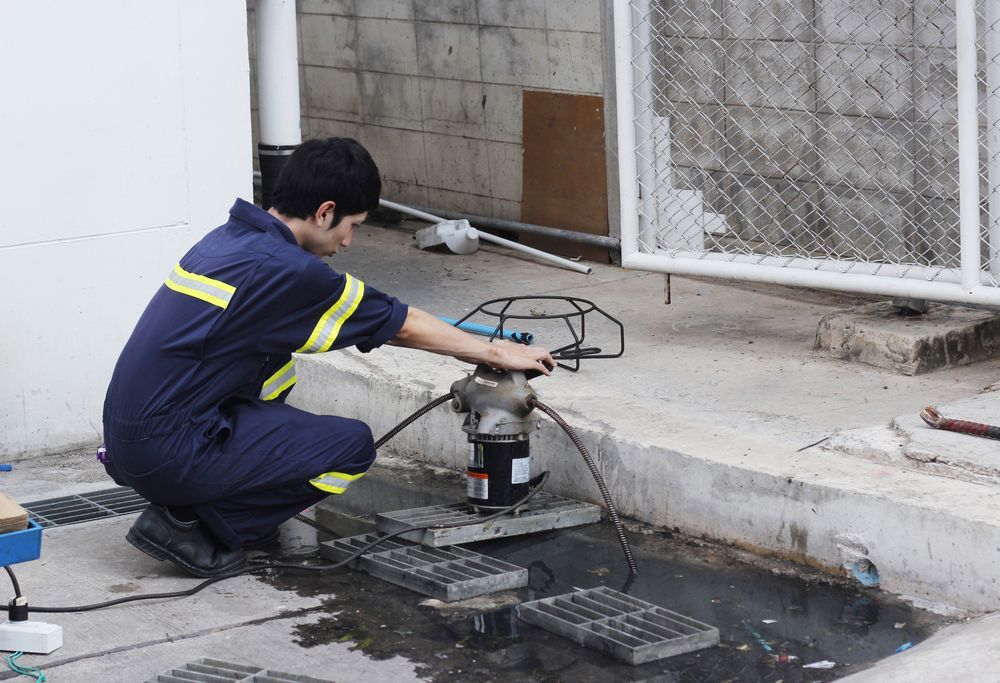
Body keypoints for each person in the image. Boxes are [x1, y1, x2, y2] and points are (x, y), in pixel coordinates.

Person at [101, 137, 553, 578]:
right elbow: (399, 323)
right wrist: (496, 351)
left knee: (277, 366)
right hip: (167, 451)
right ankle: (191, 529)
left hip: (130, 442)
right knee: (350, 447)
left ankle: (196, 499)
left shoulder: (231, 240)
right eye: (351, 225)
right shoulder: (284, 270)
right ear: (324, 212)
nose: (349, 242)